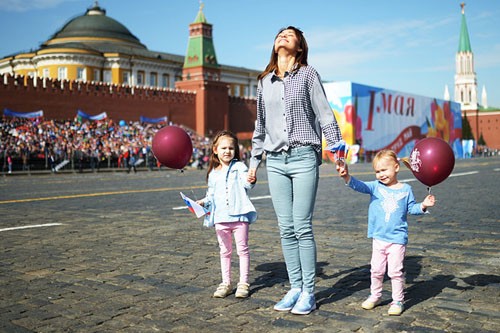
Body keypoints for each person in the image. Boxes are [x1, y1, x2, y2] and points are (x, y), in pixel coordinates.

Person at [247, 26, 344, 315]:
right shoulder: (264, 82)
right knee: (286, 229)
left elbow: (325, 115)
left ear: (299, 47)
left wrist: (338, 152)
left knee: (301, 226)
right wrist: (254, 164)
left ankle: (309, 293)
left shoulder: (309, 74)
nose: (283, 36)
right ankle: (295, 287)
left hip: (303, 157)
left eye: (290, 35)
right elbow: (260, 127)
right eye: (279, 34)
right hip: (275, 161)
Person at [336, 149, 436, 316]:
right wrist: (346, 176)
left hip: (397, 239)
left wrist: (424, 205)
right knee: (376, 270)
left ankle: (397, 300)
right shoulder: (375, 187)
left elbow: (412, 209)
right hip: (378, 238)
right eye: (377, 171)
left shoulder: (406, 189)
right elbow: (359, 185)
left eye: (384, 170)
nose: (381, 175)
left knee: (395, 272)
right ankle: (375, 295)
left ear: (396, 167)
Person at [197, 130, 257, 299]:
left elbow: (247, 184)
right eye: (223, 148)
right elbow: (211, 195)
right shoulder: (213, 173)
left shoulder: (240, 167)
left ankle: (243, 283)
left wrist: (251, 179)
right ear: (215, 150)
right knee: (225, 251)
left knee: (243, 250)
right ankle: (226, 283)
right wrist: (202, 202)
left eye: (231, 148)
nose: (227, 151)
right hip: (220, 218)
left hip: (240, 217)